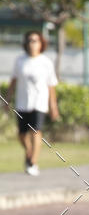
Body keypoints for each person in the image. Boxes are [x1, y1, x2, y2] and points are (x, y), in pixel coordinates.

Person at [5, 31, 59, 176]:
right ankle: (29, 152)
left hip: (39, 102)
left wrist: (53, 106)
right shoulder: (20, 60)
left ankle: (32, 162)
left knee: (36, 131)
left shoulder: (46, 62)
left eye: (35, 41)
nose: (32, 43)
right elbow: (13, 81)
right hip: (22, 103)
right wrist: (7, 99)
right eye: (29, 40)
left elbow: (51, 85)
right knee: (22, 134)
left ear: (41, 43)